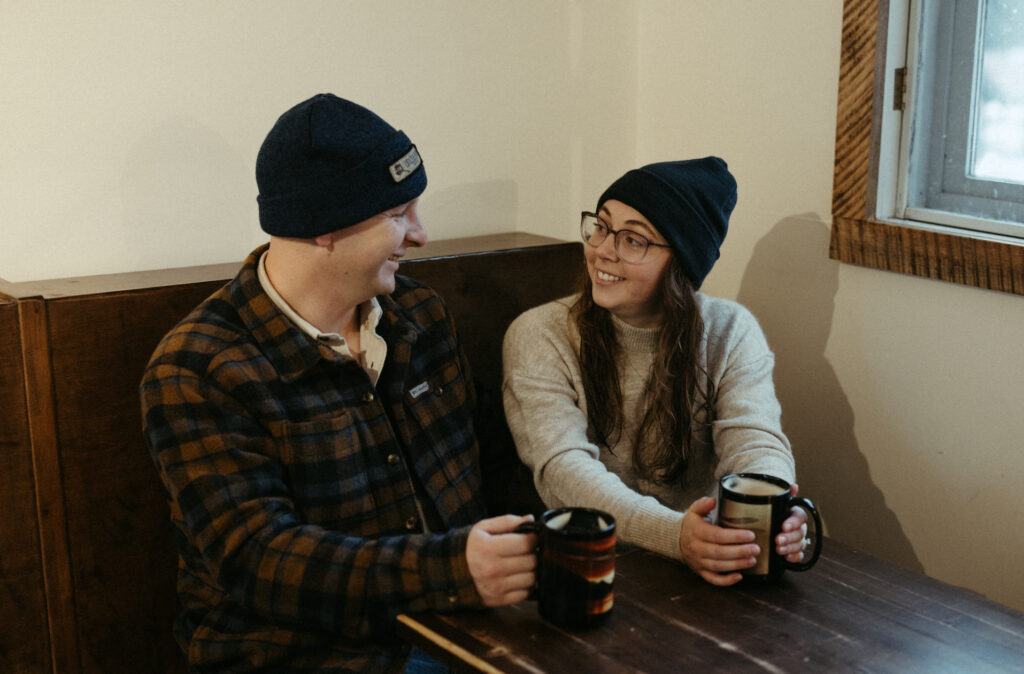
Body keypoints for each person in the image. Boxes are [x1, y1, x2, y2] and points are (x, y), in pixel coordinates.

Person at [140, 93, 536, 673]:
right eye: (398, 213)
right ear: (324, 225)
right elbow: (259, 559)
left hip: (465, 629)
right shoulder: (198, 368)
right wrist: (454, 570)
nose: (421, 233)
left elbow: (492, 462)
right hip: (307, 656)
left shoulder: (420, 317)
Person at [502, 157, 808, 587]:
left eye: (633, 240)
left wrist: (773, 512)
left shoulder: (730, 331)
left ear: (681, 261)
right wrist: (674, 535)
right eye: (602, 226)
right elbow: (563, 469)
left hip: (706, 563)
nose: (603, 249)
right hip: (585, 564)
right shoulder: (540, 334)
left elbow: (754, 439)